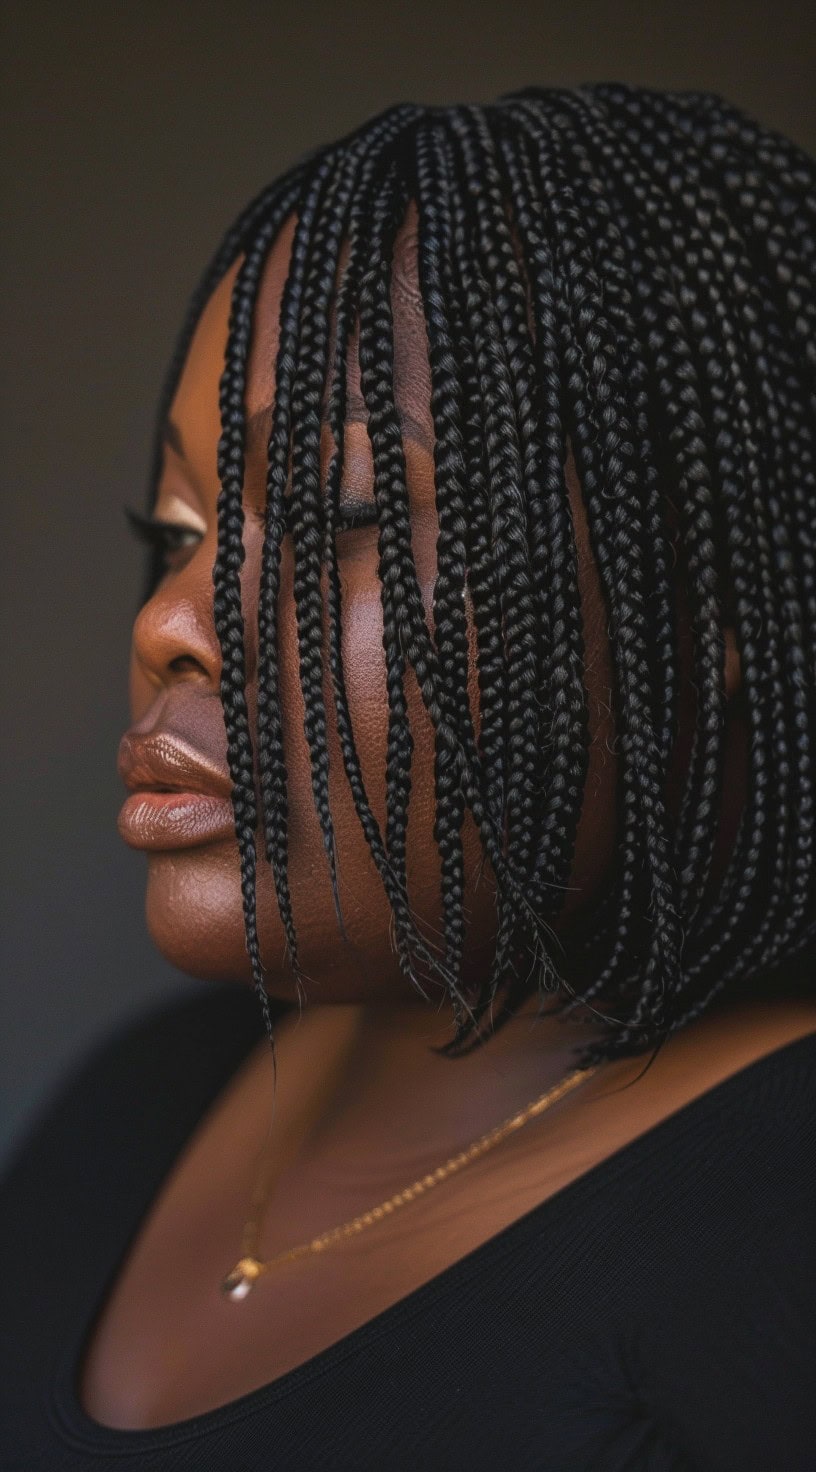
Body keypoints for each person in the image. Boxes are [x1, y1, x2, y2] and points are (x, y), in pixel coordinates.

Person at [1, 83, 814, 1471]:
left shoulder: (774, 1238)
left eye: (341, 512)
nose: (168, 622)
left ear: (712, 608)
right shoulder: (133, 1104)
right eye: (179, 528)